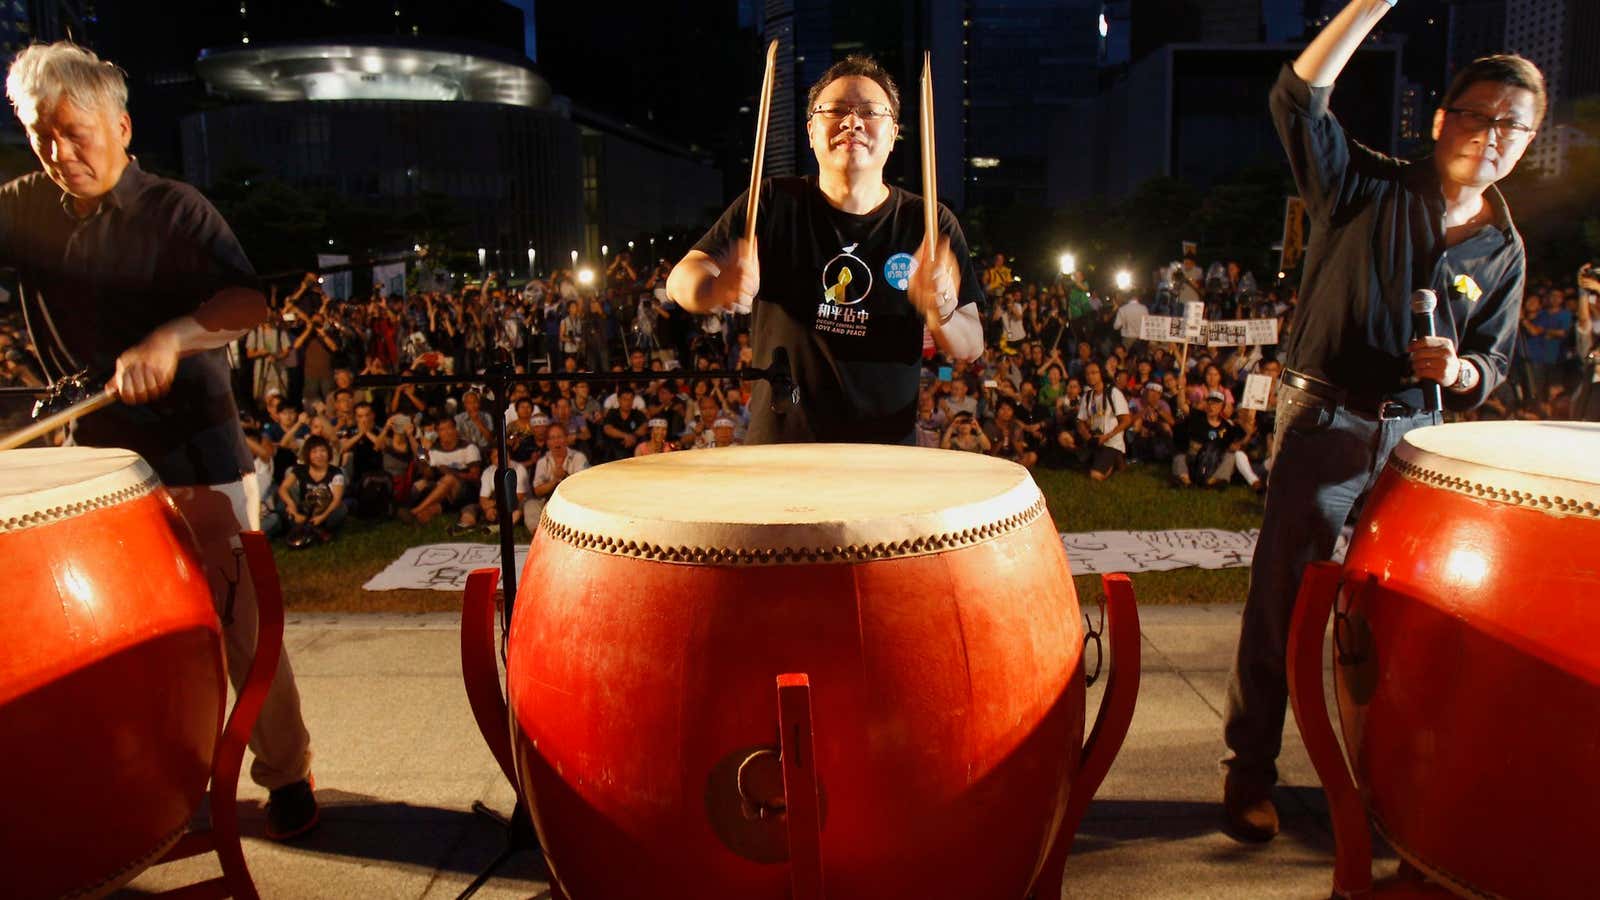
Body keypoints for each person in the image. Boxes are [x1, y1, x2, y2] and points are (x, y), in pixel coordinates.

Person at [1221, 2, 1538, 844]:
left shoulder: (1504, 250)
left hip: (1418, 444)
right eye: (1481, 116)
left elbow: (1496, 362)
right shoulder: (1360, 185)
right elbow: (1297, 99)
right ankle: (1249, 770)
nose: (1496, 135)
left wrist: (1464, 370)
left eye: (1516, 126)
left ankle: (1385, 778)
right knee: (1285, 605)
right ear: (1442, 121)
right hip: (1325, 421)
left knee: (1398, 617)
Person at [0, 42, 317, 838]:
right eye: (42, 135)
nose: (58, 153)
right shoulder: (22, 206)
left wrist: (174, 337)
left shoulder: (175, 209)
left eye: (75, 132)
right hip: (97, 459)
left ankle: (287, 772)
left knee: (242, 631)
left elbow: (249, 302)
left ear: (121, 123)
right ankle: (157, 778)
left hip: (197, 453)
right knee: (126, 630)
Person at [667, 54, 984, 445]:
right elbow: (681, 279)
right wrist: (714, 288)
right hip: (782, 447)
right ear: (811, 131)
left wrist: (944, 311)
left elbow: (972, 344)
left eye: (870, 112)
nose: (852, 122)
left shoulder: (929, 222)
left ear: (894, 133)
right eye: (835, 111)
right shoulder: (770, 202)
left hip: (885, 455)